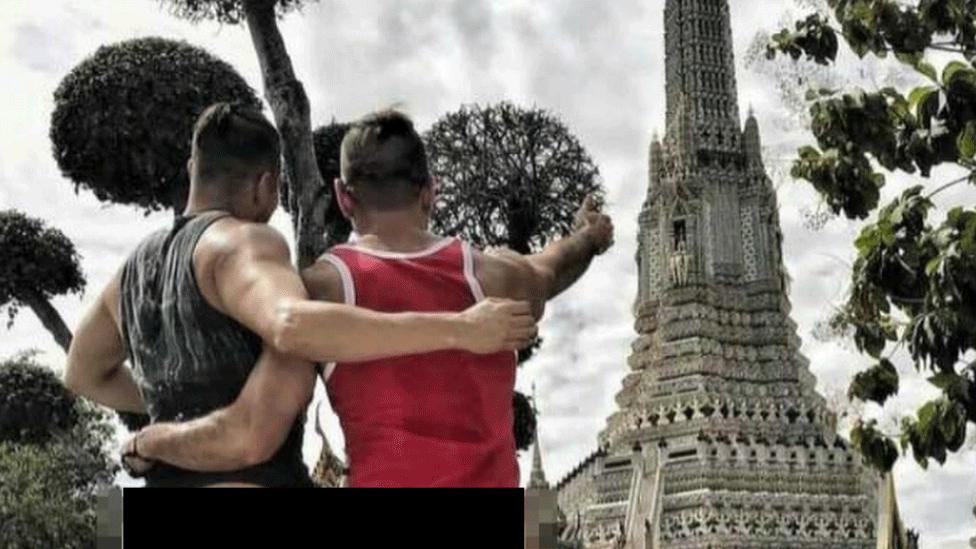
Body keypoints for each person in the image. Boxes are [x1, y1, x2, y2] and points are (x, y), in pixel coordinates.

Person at [63, 102, 537, 487]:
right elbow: (293, 325)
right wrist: (460, 328)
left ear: (193, 169)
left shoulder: (127, 276)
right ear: (267, 185)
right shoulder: (244, 241)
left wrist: (175, 416)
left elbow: (81, 373)